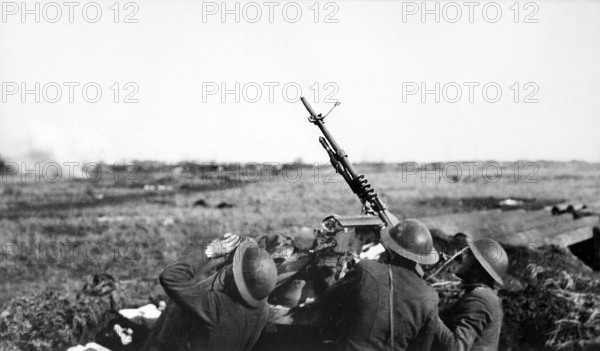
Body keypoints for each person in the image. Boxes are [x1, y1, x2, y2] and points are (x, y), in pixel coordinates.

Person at [141, 234, 278, 351]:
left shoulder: (217, 306)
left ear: (234, 276)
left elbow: (171, 277)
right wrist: (245, 255)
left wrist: (211, 251)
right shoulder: (261, 308)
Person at [320, 219, 441, 351]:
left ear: (391, 248)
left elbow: (328, 300)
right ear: (421, 258)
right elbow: (424, 346)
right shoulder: (430, 297)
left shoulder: (366, 269)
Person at [432, 238, 508, 351]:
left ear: (478, 267)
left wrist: (429, 313)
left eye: (468, 254)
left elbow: (456, 347)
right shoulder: (488, 296)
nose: (462, 256)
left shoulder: (480, 300)